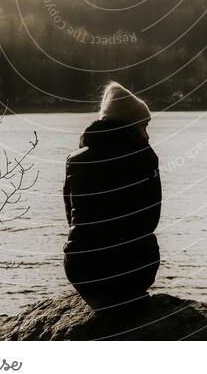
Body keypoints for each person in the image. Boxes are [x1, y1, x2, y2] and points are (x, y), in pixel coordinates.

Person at [63, 81, 161, 312]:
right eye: (144, 126)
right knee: (147, 241)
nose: (146, 136)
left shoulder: (74, 160)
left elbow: (71, 218)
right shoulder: (145, 156)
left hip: (81, 270)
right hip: (129, 271)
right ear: (130, 124)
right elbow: (151, 220)